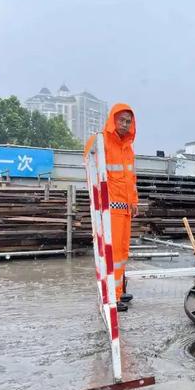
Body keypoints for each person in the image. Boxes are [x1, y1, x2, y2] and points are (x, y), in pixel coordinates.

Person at [85, 103, 139, 312]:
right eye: (122, 120)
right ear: (112, 119)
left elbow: (131, 179)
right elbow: (91, 168)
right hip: (109, 209)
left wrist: (134, 201)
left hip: (125, 210)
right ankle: (112, 297)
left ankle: (118, 291)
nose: (125, 124)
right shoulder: (100, 141)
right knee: (112, 253)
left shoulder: (128, 148)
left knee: (122, 252)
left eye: (128, 121)